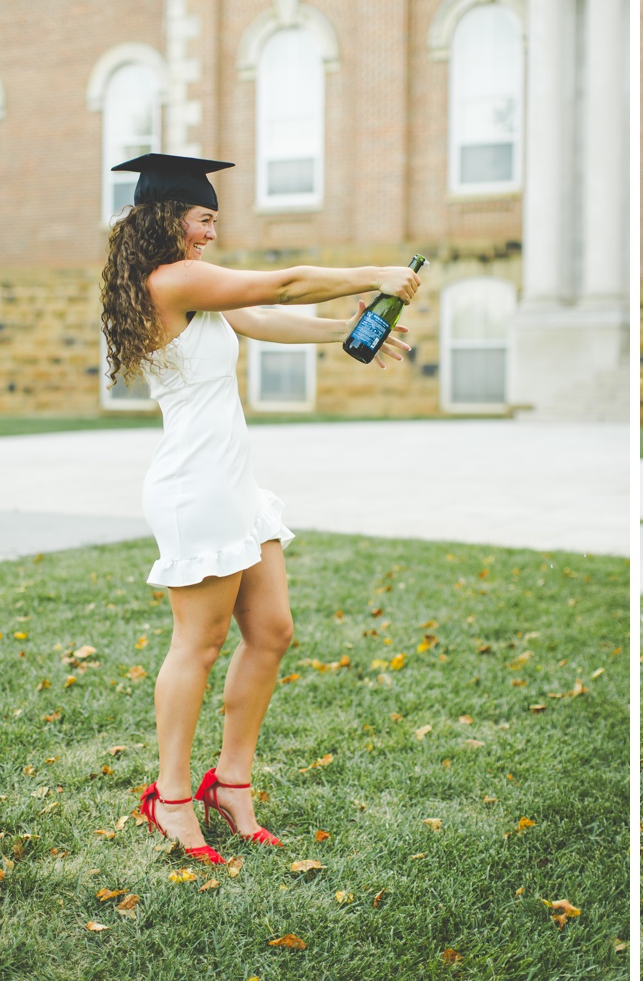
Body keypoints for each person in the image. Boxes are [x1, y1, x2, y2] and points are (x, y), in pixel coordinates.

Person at [99, 153, 422, 864]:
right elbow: (281, 282)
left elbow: (262, 314)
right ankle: (171, 797)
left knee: (272, 630)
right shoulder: (172, 280)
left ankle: (230, 783)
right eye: (203, 218)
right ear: (169, 218)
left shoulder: (194, 287)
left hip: (234, 484)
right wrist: (376, 273)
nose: (212, 232)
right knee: (199, 643)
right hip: (196, 487)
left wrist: (345, 330)